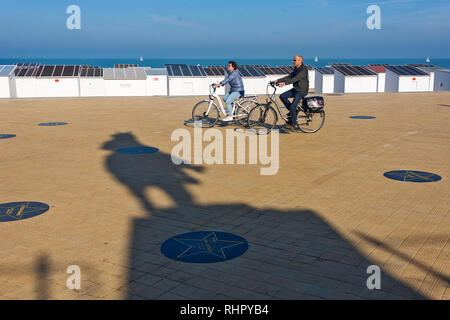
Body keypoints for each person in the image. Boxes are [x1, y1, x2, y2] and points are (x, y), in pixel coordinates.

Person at [273, 55, 309, 130]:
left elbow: (295, 79)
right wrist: (278, 80)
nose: (293, 61)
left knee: (292, 107)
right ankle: (293, 112)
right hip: (296, 89)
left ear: (300, 61)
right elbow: (289, 76)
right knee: (282, 96)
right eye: (293, 60)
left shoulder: (303, 70)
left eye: (295, 60)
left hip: (301, 91)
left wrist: (284, 83)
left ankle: (293, 124)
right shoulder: (296, 68)